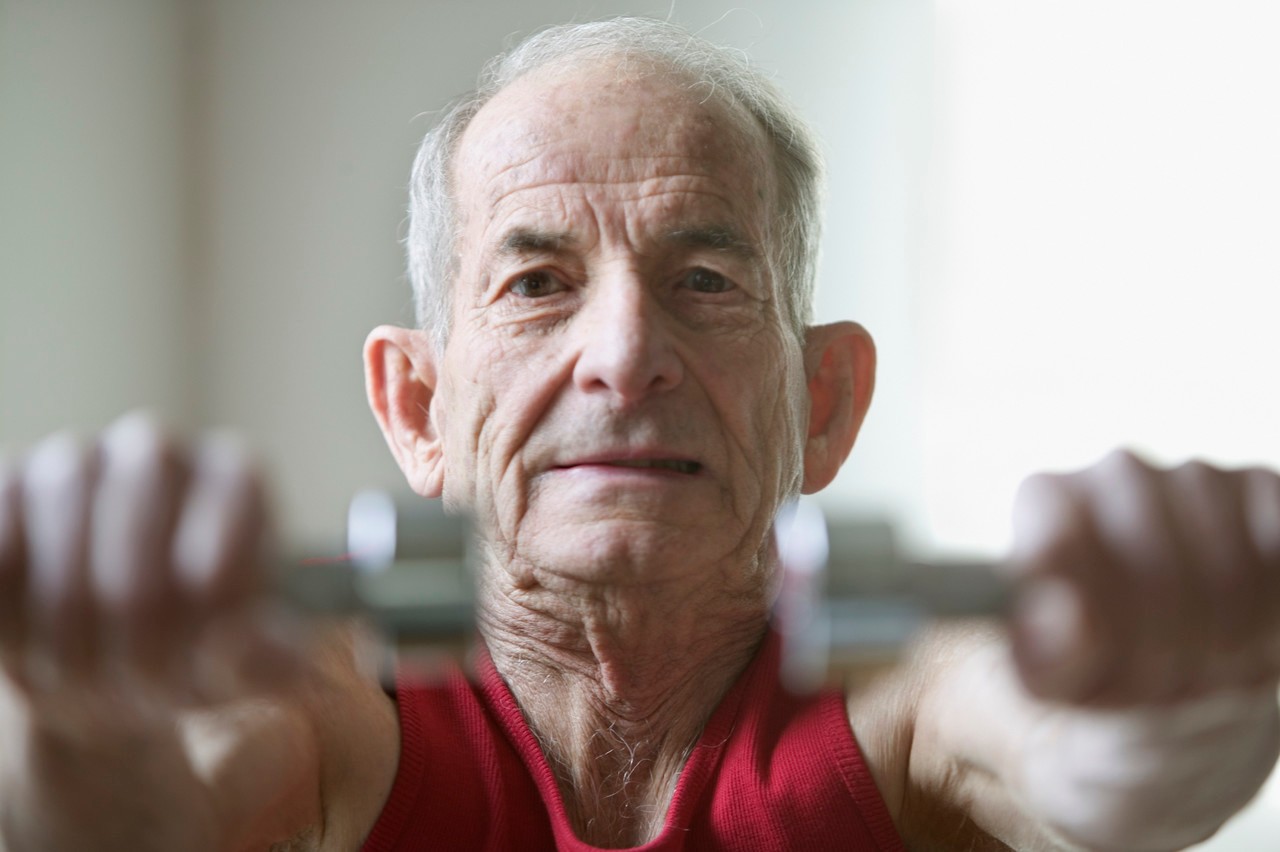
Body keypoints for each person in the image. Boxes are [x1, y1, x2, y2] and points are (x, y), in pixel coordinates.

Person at [1, 16, 1278, 851]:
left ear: (821, 401)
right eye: (536, 283)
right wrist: (77, 718)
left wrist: (1186, 688)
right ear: (414, 409)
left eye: (707, 282)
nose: (622, 354)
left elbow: (1097, 771)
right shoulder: (321, 697)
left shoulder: (907, 693)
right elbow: (135, 809)